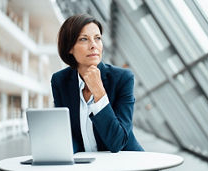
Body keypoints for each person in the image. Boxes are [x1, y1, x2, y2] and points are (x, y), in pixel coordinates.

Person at [51, 14, 144, 153]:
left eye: (97, 38)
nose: (93, 45)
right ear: (69, 48)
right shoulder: (60, 81)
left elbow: (117, 142)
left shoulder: (123, 79)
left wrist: (99, 92)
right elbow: (69, 134)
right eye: (84, 39)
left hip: (126, 161)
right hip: (88, 164)